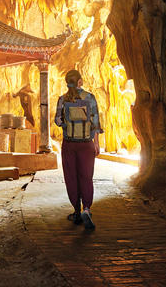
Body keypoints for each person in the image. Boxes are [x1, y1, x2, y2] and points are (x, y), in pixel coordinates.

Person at [54, 69, 102, 229]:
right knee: (86, 177)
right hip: (86, 144)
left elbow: (58, 121)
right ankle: (86, 209)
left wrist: (69, 124)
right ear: (80, 81)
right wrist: (96, 142)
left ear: (67, 83)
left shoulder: (62, 99)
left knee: (71, 178)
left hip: (69, 144)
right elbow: (96, 122)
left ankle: (76, 211)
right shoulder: (90, 98)